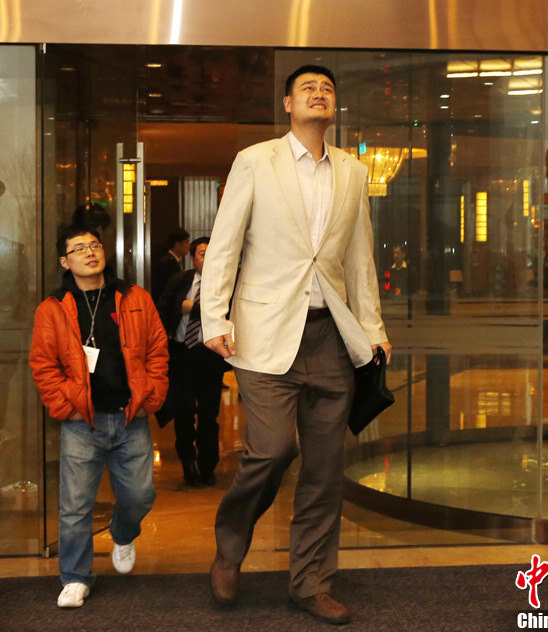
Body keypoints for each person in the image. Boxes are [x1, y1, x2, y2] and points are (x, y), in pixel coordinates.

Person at [200, 65, 392, 626]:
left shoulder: (354, 172)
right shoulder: (256, 161)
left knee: (326, 470)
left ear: (336, 105)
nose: (319, 93)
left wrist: (373, 328)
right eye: (308, 87)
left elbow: (359, 258)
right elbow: (225, 244)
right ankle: (231, 548)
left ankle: (310, 582)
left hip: (331, 337)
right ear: (288, 102)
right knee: (272, 450)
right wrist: (214, 317)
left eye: (328, 88)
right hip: (264, 335)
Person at [29, 225, 168, 608]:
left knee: (141, 495)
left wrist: (151, 393)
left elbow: (157, 348)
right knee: (75, 506)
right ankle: (75, 577)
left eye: (94, 245)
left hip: (130, 416)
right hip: (81, 422)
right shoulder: (52, 308)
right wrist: (66, 405)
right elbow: (43, 365)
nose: (90, 253)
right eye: (79, 248)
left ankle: (123, 533)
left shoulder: (134, 297)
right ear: (64, 261)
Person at [157, 237, 227, 487]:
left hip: (209, 357)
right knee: (184, 413)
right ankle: (188, 463)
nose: (206, 259)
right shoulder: (180, 281)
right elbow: (163, 309)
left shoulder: (224, 285)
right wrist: (181, 307)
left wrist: (193, 308)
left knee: (209, 416)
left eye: (210, 254)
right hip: (181, 356)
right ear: (193, 258)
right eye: (201, 254)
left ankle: (208, 466)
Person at [151, 227, 190, 303]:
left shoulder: (174, 261)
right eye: (186, 242)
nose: (188, 246)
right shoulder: (167, 264)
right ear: (177, 244)